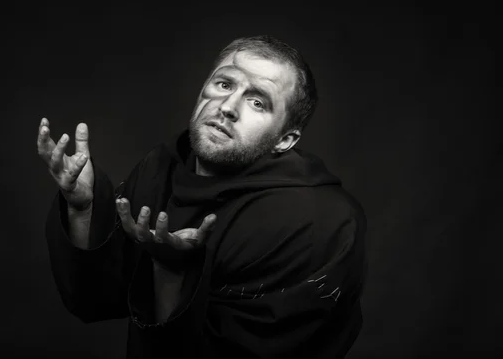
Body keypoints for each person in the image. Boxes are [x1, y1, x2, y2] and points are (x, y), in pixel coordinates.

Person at [37, 35, 368, 358]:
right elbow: (95, 299)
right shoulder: (160, 168)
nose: (227, 107)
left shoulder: (319, 224)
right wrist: (83, 207)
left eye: (257, 102)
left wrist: (171, 274)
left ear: (286, 139)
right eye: (224, 85)